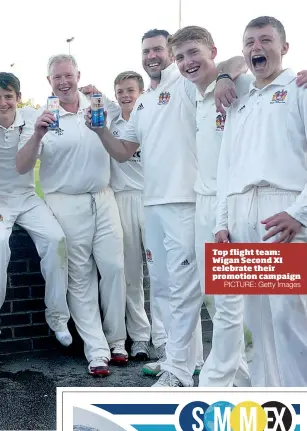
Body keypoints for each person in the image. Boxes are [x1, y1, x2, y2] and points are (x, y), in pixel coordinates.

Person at [89, 29, 248, 387]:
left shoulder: (186, 83)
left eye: (159, 49)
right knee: (164, 289)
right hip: (154, 204)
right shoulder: (144, 101)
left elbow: (232, 63)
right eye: (146, 51)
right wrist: (100, 133)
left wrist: (224, 74)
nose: (152, 56)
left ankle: (182, 369)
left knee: (188, 289)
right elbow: (124, 150)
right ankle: (184, 361)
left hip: (187, 203)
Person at [17, 54, 128, 376]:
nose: (64, 82)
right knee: (79, 278)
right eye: (57, 78)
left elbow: (131, 111)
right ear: (49, 81)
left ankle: (117, 340)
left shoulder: (98, 105)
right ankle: (96, 351)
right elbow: (22, 166)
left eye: (68, 76)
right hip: (65, 201)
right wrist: (37, 134)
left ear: (78, 75)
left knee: (115, 269)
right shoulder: (43, 118)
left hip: (102, 197)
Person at [215, 16, 307, 387]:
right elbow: (226, 165)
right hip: (240, 213)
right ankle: (270, 407)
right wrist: (221, 222)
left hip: (282, 210)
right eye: (250, 41)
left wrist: (300, 212)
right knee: (253, 323)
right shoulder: (238, 98)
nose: (257, 47)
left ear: (284, 47)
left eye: (266, 40)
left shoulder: (300, 88)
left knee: (290, 318)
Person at [168, 25, 254, 388]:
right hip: (204, 207)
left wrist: (224, 74)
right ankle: (241, 379)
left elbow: (244, 61)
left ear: (213, 51)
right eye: (181, 57)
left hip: (236, 206)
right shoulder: (195, 93)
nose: (188, 63)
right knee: (215, 299)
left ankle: (232, 382)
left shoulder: (237, 84)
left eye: (194, 53)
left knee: (243, 302)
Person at [0, 72, 72, 353]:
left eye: (8, 96)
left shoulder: (31, 116)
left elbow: (24, 166)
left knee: (57, 241)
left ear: (18, 97)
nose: (3, 103)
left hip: (27, 197)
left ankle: (58, 319)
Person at [106, 71, 163, 362]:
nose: (125, 95)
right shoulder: (110, 120)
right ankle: (139, 337)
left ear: (141, 92)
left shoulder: (152, 115)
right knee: (130, 273)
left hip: (152, 199)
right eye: (120, 91)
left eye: (130, 90)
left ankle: (164, 339)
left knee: (160, 272)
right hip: (121, 199)